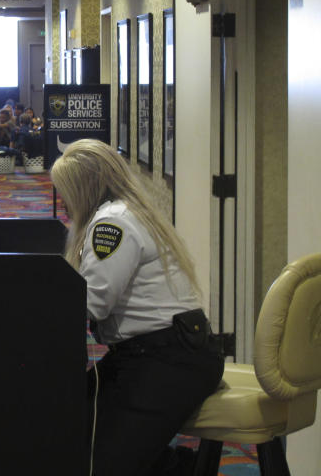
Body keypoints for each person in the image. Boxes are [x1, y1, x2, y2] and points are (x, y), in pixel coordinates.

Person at [50, 139, 223, 476]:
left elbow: (92, 304)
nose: (65, 206)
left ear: (84, 188)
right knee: (68, 425)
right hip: (170, 351)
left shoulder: (110, 225)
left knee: (98, 464)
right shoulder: (129, 210)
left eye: (65, 193)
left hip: (166, 360)